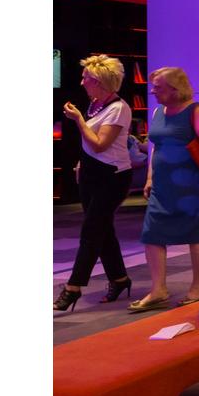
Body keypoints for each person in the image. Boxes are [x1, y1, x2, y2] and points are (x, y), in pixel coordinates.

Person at [130, 67, 199, 312]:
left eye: (158, 87)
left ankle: (197, 287)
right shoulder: (158, 112)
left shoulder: (197, 112)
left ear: (175, 89)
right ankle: (158, 289)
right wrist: (149, 177)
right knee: (152, 235)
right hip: (163, 186)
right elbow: (156, 148)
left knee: (197, 234)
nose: (153, 91)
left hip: (193, 185)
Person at [54, 54, 135, 312]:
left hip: (112, 176)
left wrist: (78, 120)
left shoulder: (118, 108)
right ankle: (119, 279)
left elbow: (100, 144)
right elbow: (91, 145)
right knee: (102, 228)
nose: (82, 82)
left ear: (99, 81)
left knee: (91, 231)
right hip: (91, 172)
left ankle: (73, 287)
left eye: (86, 78)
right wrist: (83, 163)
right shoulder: (97, 104)